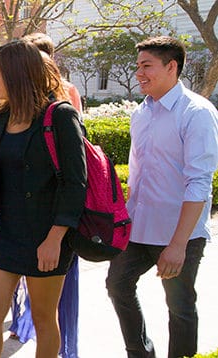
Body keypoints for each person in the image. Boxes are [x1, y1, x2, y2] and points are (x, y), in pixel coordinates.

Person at [0, 39, 86, 357]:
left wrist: (56, 237)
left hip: (48, 235)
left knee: (45, 320)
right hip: (9, 233)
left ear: (16, 74)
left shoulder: (61, 116)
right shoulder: (3, 116)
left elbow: (76, 183)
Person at [105, 36, 218, 358]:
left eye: (146, 66)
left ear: (171, 67)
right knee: (117, 285)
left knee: (180, 305)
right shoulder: (141, 113)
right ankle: (140, 353)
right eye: (138, 65)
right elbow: (139, 174)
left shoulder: (197, 113)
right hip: (139, 228)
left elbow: (199, 182)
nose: (139, 72)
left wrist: (179, 245)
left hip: (178, 233)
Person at [9, 33, 83, 358]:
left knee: (56, 291)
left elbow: (72, 163)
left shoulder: (64, 99)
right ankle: (23, 325)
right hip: (23, 212)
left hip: (55, 212)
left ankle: (60, 345)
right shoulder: (16, 98)